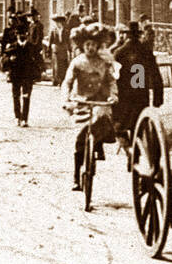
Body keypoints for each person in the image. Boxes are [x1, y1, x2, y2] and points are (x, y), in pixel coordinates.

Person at [62, 27, 118, 190]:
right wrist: (66, 100)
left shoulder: (104, 63)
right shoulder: (77, 62)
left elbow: (111, 81)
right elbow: (67, 82)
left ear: (98, 45)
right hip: (82, 103)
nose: (90, 48)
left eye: (93, 45)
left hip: (100, 102)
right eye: (87, 45)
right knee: (79, 140)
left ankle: (96, 148)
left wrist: (113, 96)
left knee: (102, 126)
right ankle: (76, 176)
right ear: (82, 45)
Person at [112, 20, 164, 148]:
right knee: (139, 126)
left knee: (120, 125)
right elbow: (156, 76)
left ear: (127, 35)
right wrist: (158, 98)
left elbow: (112, 77)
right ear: (139, 35)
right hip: (141, 96)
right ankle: (136, 149)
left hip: (124, 97)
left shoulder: (119, 53)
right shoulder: (146, 52)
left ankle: (125, 143)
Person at [5, 15, 42, 126]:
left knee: (26, 96)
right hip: (15, 75)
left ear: (26, 35)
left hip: (27, 75)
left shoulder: (31, 47)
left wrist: (39, 71)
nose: (22, 36)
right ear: (16, 35)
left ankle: (25, 118)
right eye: (19, 34)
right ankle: (17, 117)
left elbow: (39, 60)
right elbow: (3, 59)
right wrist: (9, 60)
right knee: (16, 96)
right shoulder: (12, 47)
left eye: (24, 34)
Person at [50, 14, 70, 86]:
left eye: (59, 23)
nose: (57, 24)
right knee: (56, 66)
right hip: (56, 50)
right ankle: (55, 80)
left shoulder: (66, 31)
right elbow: (51, 41)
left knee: (63, 66)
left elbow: (68, 41)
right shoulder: (53, 31)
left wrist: (69, 50)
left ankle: (62, 80)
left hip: (63, 50)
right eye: (56, 23)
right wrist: (49, 50)